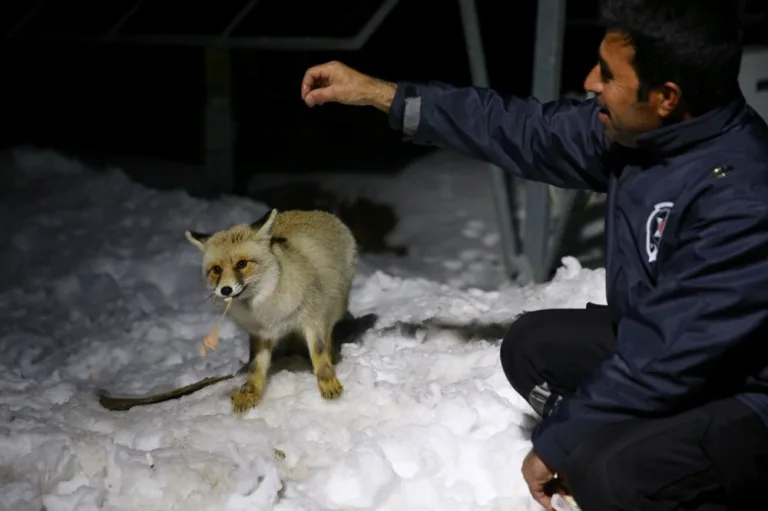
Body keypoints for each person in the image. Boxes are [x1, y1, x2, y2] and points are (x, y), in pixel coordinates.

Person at [299, 0, 768, 509]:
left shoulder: (740, 199)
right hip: (681, 356)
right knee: (531, 345)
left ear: (666, 96)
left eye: (608, 75)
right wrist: (378, 94)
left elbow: (666, 356)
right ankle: (637, 441)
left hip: (747, 392)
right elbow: (524, 128)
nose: (590, 82)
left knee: (613, 477)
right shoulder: (642, 136)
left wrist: (561, 444)